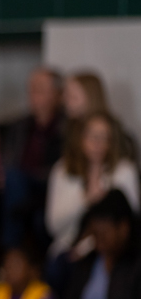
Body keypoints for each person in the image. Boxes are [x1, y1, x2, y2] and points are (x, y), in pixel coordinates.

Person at [45, 112, 140, 263]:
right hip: (68, 246)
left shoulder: (124, 171)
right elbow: (53, 226)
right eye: (93, 136)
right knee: (58, 265)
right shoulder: (62, 170)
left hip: (112, 250)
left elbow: (131, 223)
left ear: (112, 141)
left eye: (104, 137)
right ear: (81, 138)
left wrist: (87, 246)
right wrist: (84, 200)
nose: (98, 143)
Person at [0, 68, 65, 251]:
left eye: (40, 89)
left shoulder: (66, 128)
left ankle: (11, 251)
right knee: (11, 180)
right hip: (18, 187)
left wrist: (24, 177)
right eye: (31, 89)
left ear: (58, 95)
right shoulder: (18, 126)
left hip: (48, 188)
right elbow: (7, 159)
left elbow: (61, 168)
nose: (33, 94)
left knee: (16, 180)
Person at [64, 70, 138, 160]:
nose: (67, 102)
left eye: (73, 97)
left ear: (91, 98)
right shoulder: (72, 126)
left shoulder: (112, 129)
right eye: (66, 96)